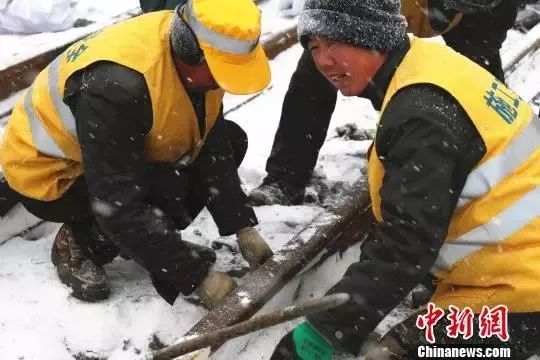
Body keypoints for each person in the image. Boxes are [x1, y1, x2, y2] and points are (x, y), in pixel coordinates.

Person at [269, 0, 540, 359]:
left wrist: (328, 329)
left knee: (390, 355)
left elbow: (406, 240)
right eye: (314, 47)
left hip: (521, 292)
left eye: (335, 43)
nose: (323, 60)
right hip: (519, 265)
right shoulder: (423, 65)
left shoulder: (421, 113)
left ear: (371, 35)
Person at [0, 0, 274, 307]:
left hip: (102, 151)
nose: (224, 83)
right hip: (50, 176)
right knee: (166, 190)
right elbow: (119, 202)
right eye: (220, 72)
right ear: (188, 50)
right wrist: (195, 276)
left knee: (231, 141)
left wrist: (241, 226)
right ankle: (82, 240)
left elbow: (211, 140)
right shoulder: (118, 85)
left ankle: (150, 243)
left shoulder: (197, 54)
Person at [249, 0, 522, 206]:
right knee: (318, 67)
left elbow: (487, 38)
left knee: (480, 76)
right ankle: (286, 176)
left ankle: (498, 156)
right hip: (383, 7)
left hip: (466, 18)